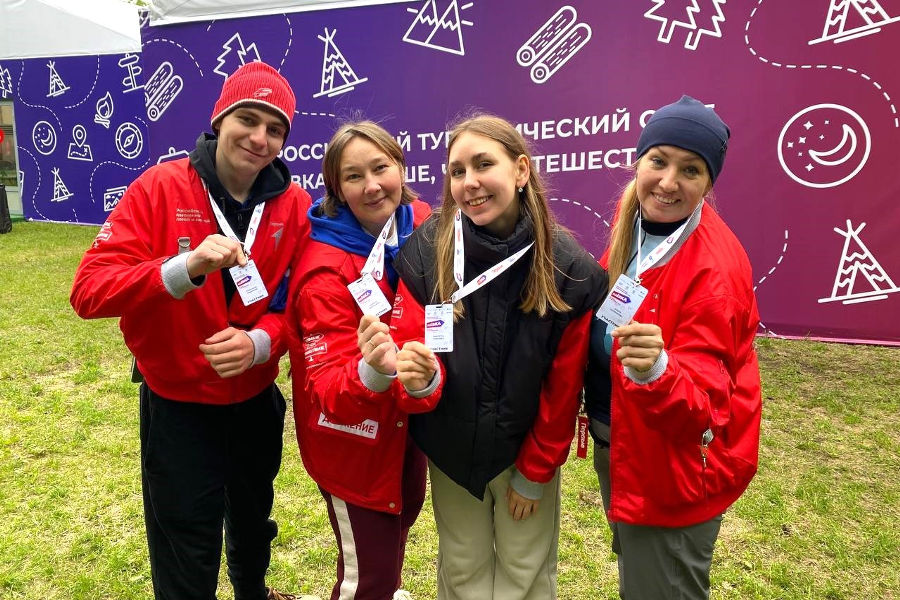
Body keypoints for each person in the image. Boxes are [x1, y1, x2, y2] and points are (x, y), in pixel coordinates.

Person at [70, 61, 312, 600]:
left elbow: (302, 305)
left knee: (253, 519)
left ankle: (253, 592)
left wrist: (261, 343)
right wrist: (183, 268)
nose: (260, 138)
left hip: (254, 399)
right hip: (177, 404)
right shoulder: (158, 188)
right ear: (219, 119)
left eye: (275, 128)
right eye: (248, 119)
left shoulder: (295, 206)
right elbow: (88, 292)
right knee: (185, 540)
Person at [362, 114, 607, 600]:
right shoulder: (425, 250)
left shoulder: (568, 269)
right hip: (451, 452)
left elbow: (563, 389)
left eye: (483, 164)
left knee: (524, 572)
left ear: (521, 170)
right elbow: (412, 366)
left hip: (523, 454)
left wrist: (536, 472)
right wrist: (419, 380)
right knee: (462, 569)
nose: (469, 182)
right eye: (457, 171)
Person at [584, 95, 762, 599]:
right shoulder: (637, 221)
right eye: (658, 161)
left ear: (709, 183)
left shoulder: (713, 273)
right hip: (629, 446)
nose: (667, 181)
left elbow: (705, 412)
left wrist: (657, 371)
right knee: (640, 577)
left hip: (674, 470)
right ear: (638, 161)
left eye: (690, 170)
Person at [287, 121, 432, 600]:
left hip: (406, 425)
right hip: (355, 444)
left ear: (401, 168)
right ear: (337, 188)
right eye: (353, 176)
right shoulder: (324, 272)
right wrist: (372, 370)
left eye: (380, 168)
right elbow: (325, 387)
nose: (372, 186)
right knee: (367, 578)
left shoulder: (420, 223)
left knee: (394, 539)